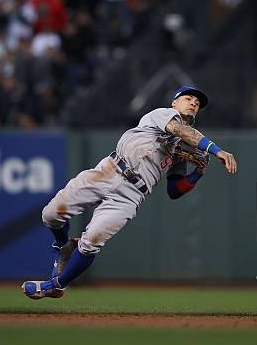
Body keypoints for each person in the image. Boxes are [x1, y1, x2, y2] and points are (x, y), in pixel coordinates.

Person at [22, 85, 237, 299]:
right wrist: (216, 150)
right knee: (50, 214)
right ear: (174, 103)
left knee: (91, 243)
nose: (193, 103)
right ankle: (64, 247)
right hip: (109, 170)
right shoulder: (164, 115)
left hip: (131, 195)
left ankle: (56, 286)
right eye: (188, 98)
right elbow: (181, 131)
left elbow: (174, 190)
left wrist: (198, 173)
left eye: (197, 103)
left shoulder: (183, 149)